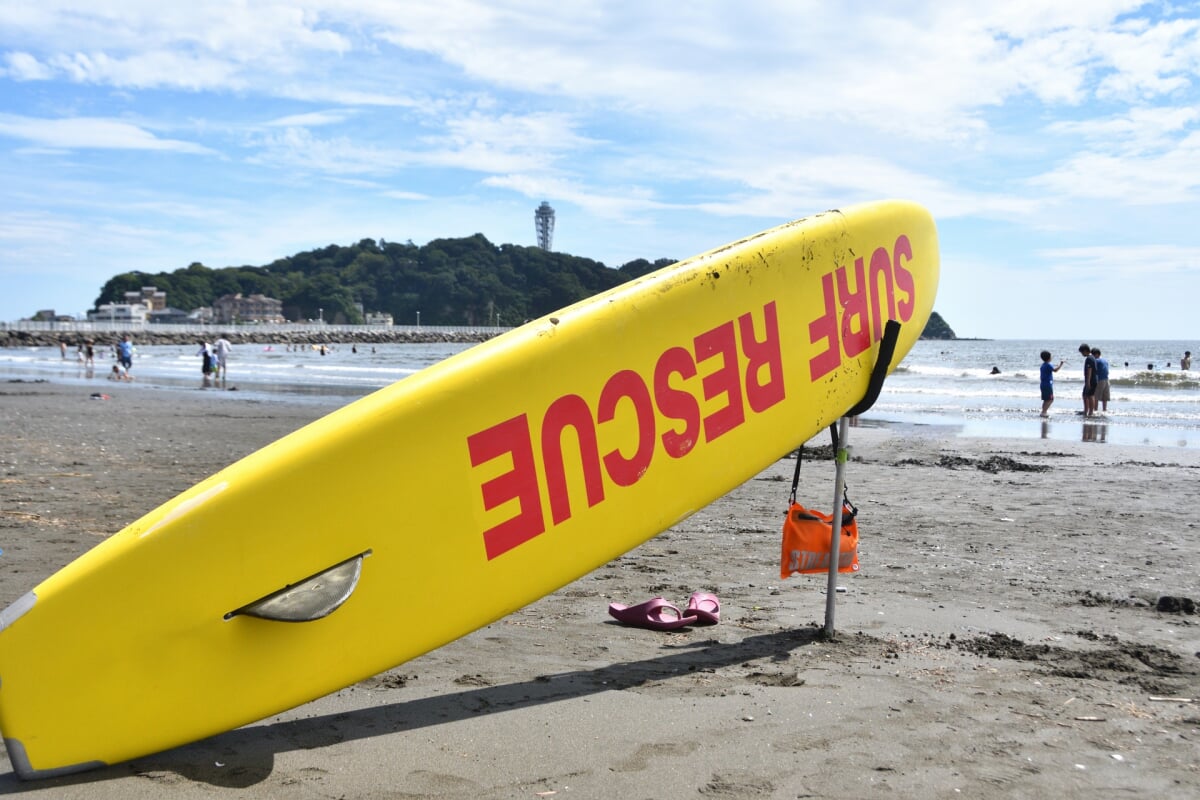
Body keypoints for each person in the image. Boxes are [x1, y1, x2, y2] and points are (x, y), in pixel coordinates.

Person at [1039, 350, 1064, 417]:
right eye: (1051, 356)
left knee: (1046, 399)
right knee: (1050, 399)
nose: (1051, 357)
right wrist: (1061, 364)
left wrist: (1058, 365)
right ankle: (1044, 412)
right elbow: (1055, 370)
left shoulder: (1043, 365)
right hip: (1047, 385)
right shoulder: (1048, 365)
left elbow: (1052, 368)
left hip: (1043, 384)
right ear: (1049, 358)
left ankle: (1043, 412)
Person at [1078, 343, 1096, 417]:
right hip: (1092, 379)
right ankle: (1087, 411)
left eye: (1082, 352)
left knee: (1089, 396)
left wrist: (1088, 382)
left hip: (1091, 380)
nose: (1082, 354)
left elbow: (1089, 370)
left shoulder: (1089, 358)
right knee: (1086, 395)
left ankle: (1090, 412)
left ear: (1085, 351)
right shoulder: (1092, 357)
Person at [1090, 347, 1110, 413]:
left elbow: (1093, 371)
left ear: (1096, 354)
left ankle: (1095, 410)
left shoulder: (1096, 361)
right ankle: (1104, 410)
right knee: (1105, 397)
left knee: (1096, 397)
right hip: (1106, 380)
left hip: (1099, 380)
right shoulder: (1105, 360)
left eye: (1093, 355)